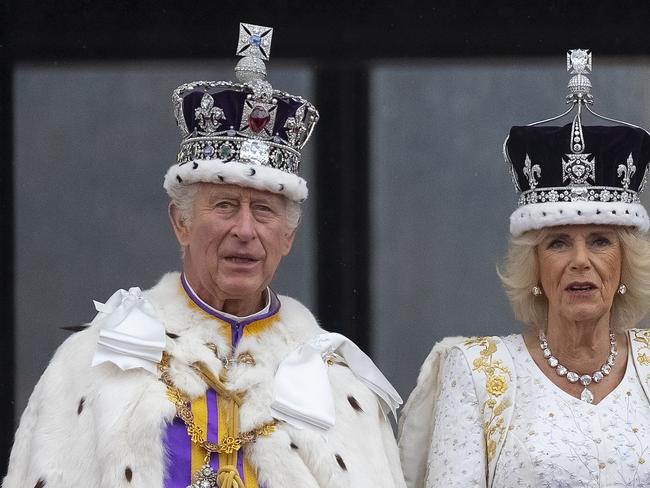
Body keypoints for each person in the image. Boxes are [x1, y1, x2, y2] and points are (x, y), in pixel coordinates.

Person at [3, 23, 406, 488]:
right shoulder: (94, 363)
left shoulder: (341, 385)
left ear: (288, 237)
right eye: (225, 206)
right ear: (181, 222)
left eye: (263, 210)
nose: (245, 230)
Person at [399, 49, 650, 487]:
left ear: (625, 260)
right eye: (558, 242)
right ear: (533, 265)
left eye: (600, 241)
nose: (579, 261)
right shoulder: (476, 372)